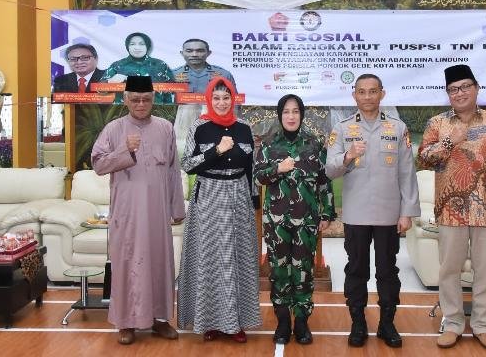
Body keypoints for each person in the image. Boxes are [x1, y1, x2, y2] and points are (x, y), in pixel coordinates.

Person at [418, 64, 486, 352]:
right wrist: (450, 142)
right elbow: (423, 158)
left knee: (485, 270)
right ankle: (452, 323)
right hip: (451, 209)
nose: (459, 93)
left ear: (476, 88)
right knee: (449, 269)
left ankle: (483, 325)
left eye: (465, 87)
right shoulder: (438, 124)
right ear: (447, 94)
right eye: (453, 89)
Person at [326, 73, 420, 349]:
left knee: (387, 271)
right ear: (354, 95)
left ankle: (387, 323)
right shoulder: (342, 128)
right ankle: (358, 323)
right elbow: (330, 170)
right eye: (362, 92)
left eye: (373, 91)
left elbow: (407, 172)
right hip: (356, 214)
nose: (367, 96)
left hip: (388, 214)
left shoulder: (398, 127)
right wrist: (348, 155)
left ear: (382, 94)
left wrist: (407, 212)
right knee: (356, 270)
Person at [91, 75, 185, 345]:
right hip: (127, 214)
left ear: (153, 99)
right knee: (127, 265)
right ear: (125, 99)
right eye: (135, 99)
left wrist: (177, 208)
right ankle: (126, 322)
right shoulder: (113, 129)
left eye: (145, 99)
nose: (141, 104)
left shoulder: (165, 128)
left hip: (157, 214)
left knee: (159, 264)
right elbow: (98, 165)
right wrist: (124, 150)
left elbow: (173, 170)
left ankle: (159, 319)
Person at [177, 76, 261, 343]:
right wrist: (216, 150)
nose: (222, 103)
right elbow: (187, 164)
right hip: (209, 196)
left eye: (226, 98)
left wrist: (254, 200)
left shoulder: (245, 128)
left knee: (237, 259)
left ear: (233, 100)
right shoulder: (199, 127)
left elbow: (251, 168)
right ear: (208, 100)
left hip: (238, 196)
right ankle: (210, 321)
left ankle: (235, 323)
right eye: (216, 98)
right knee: (210, 258)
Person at [254, 94, 336, 345]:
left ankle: (301, 322)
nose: (291, 116)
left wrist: (327, 213)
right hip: (276, 222)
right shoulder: (268, 145)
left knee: (303, 272)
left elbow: (324, 181)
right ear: (280, 115)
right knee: (279, 272)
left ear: (301, 115)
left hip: (306, 222)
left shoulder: (314, 144)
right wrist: (277, 169)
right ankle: (282, 321)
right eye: (286, 112)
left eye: (295, 111)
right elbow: (257, 178)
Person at [101, 32, 175, 103]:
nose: (137, 47)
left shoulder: (160, 65)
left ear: (147, 46)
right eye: (132, 44)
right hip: (123, 108)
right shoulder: (117, 65)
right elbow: (99, 89)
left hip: (156, 108)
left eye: (142, 44)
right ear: (127, 47)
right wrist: (109, 81)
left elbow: (174, 89)